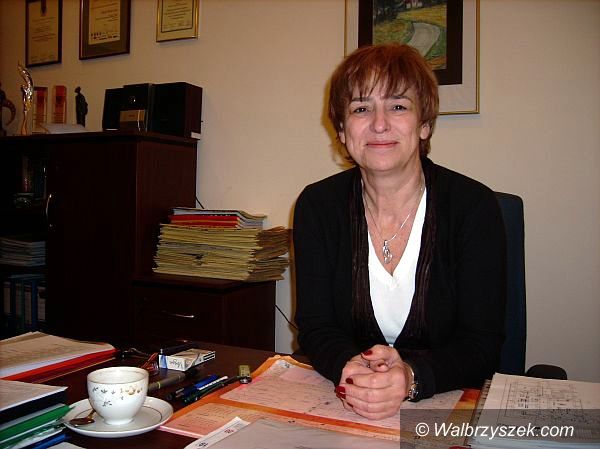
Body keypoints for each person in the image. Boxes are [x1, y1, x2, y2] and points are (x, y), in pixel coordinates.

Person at [293, 44, 506, 421]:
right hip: (347, 406)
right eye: (361, 109)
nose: (379, 124)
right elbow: (316, 326)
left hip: (446, 406)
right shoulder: (317, 206)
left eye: (398, 106)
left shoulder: (473, 207)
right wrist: (350, 368)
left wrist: (411, 376)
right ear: (341, 129)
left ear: (424, 124)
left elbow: (481, 343)